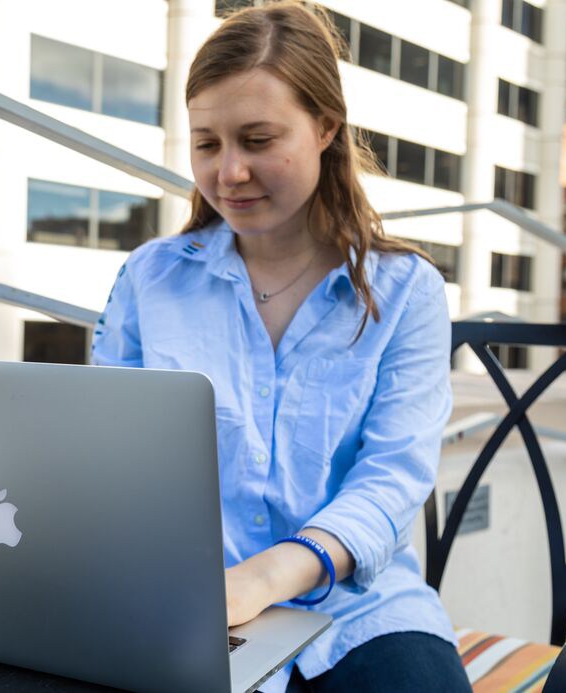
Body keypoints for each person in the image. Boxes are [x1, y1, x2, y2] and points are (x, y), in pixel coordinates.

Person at [91, 2, 472, 692]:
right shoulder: (151, 278)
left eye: (258, 139)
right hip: (187, 605)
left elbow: (392, 478)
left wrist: (265, 577)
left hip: (362, 612)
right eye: (207, 144)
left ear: (326, 127)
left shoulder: (407, 292)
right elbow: (105, 450)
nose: (229, 171)